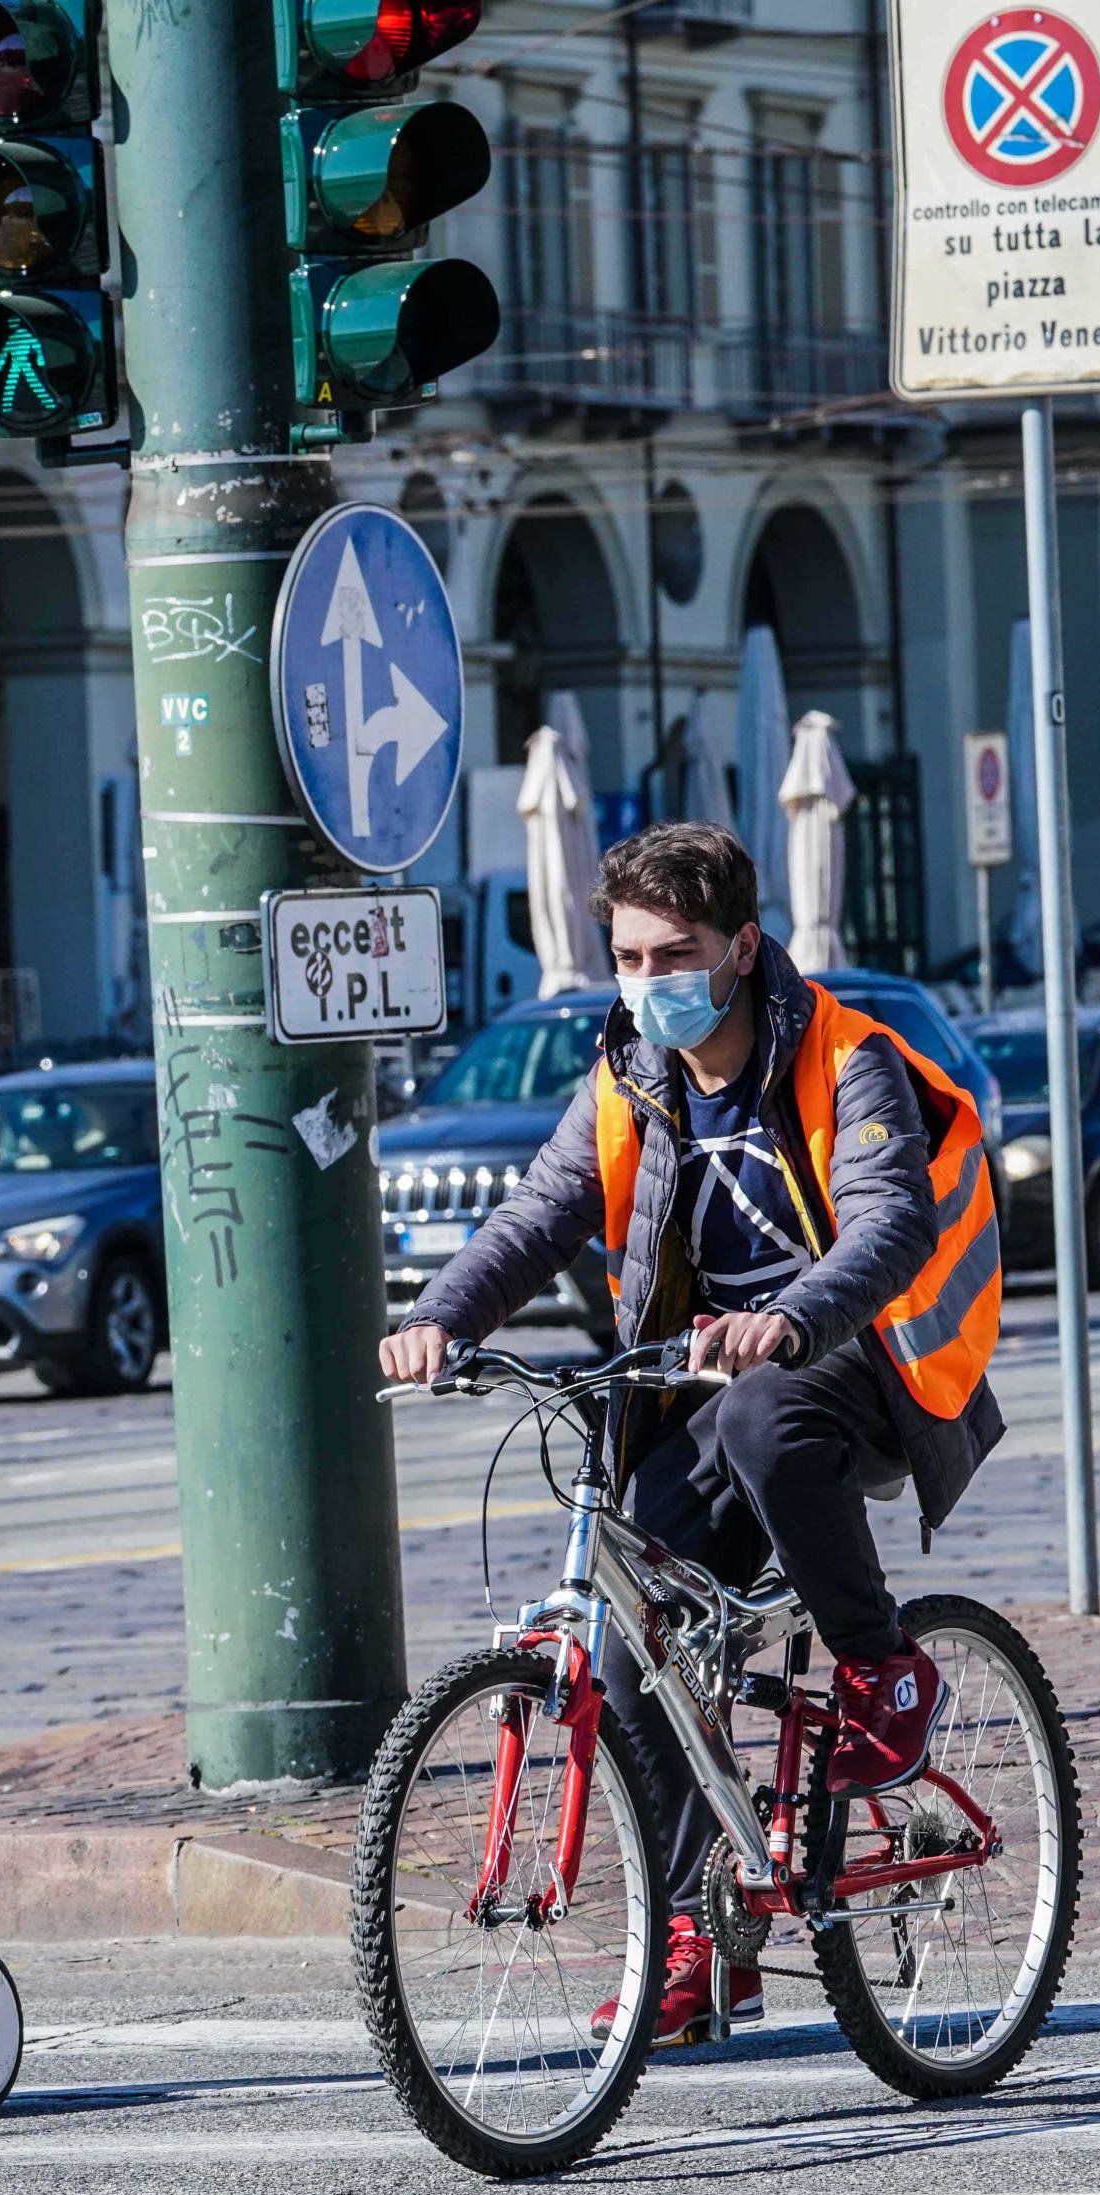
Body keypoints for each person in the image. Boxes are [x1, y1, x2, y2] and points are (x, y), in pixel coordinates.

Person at [381, 822, 1003, 2045]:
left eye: (675, 953)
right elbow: (538, 1215)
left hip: (857, 1367)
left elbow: (888, 1228)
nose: (648, 981)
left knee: (769, 1413)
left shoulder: (847, 1058)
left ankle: (884, 1666)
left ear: (742, 948)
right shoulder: (627, 1077)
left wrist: (786, 1316)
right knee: (627, 1648)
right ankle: (696, 1944)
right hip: (698, 1388)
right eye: (626, 956)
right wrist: (440, 1319)